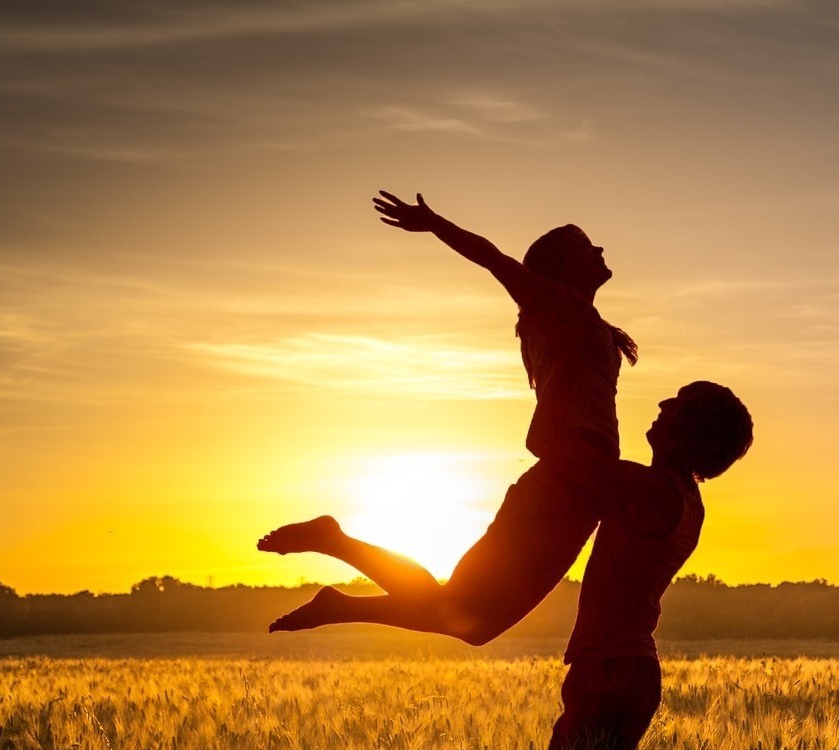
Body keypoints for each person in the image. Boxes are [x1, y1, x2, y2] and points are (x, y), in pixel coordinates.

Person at [259, 191, 636, 641]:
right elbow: (494, 259)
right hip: (564, 482)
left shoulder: (580, 320)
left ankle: (337, 592)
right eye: (585, 247)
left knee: (474, 624)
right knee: (463, 611)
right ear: (561, 267)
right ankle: (334, 546)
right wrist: (435, 224)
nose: (599, 251)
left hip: (583, 485)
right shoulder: (556, 307)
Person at [537, 380, 753, 750]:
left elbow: (557, 452)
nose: (660, 404)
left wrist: (569, 366)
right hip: (624, 669)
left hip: (611, 670)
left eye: (676, 403)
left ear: (689, 431)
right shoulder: (678, 496)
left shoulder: (653, 492)